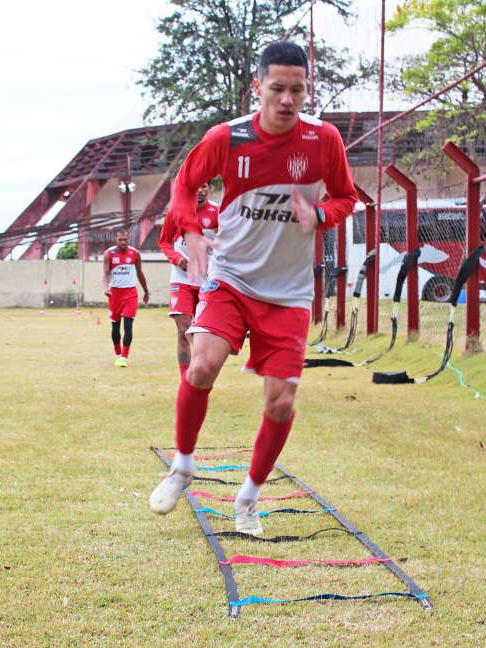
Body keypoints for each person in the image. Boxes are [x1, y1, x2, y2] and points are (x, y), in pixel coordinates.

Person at [148, 41, 357, 535]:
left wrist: (321, 214)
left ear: (307, 91)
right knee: (200, 365)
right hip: (232, 277)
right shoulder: (228, 138)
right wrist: (192, 231)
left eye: (297, 90)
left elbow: (347, 197)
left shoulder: (323, 140)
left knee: (280, 401)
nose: (287, 99)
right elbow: (183, 184)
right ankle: (182, 467)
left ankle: (248, 498)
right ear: (257, 88)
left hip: (287, 292)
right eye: (278, 88)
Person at [157, 181, 219, 377]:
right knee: (183, 328)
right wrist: (178, 259)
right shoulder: (176, 211)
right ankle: (186, 378)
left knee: (203, 333)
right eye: (196, 186)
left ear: (210, 188)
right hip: (181, 279)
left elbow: (229, 242)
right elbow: (164, 241)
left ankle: (200, 372)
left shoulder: (218, 212)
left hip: (208, 281)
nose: (199, 190)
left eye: (204, 186)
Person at [103, 229, 149, 367]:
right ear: (116, 240)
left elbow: (140, 273)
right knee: (115, 327)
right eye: (120, 240)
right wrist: (106, 287)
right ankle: (117, 353)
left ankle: (124, 356)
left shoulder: (135, 254)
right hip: (115, 295)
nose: (123, 242)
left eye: (125, 239)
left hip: (130, 294)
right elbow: (105, 273)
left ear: (128, 240)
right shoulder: (109, 254)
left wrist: (146, 290)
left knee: (128, 326)